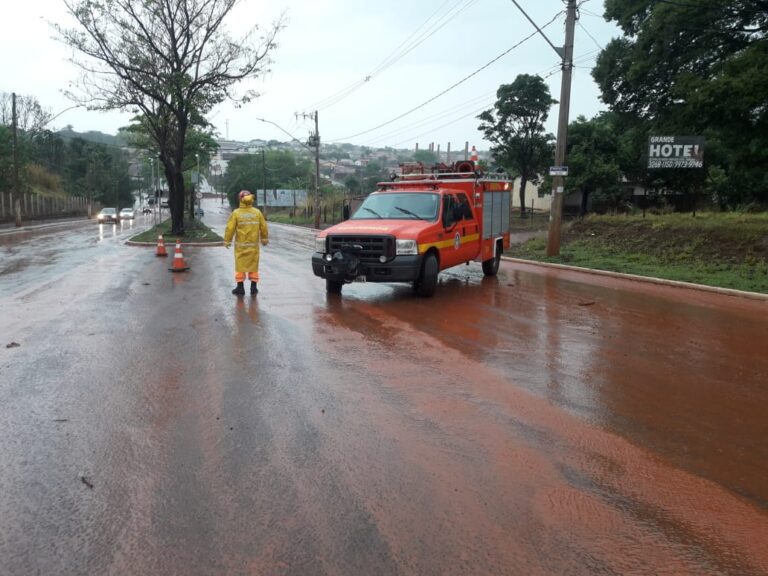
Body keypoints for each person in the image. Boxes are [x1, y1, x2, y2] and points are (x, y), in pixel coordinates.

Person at [224, 190, 269, 295]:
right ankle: (254, 288)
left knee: (240, 267)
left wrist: (227, 240)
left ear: (240, 199)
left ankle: (240, 288)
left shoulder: (236, 213)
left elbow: (230, 228)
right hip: (253, 246)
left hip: (241, 247)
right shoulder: (257, 212)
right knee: (253, 266)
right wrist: (264, 239)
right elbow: (263, 227)